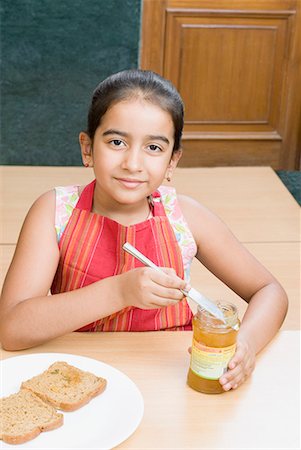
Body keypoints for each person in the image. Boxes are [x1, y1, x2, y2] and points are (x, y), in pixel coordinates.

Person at [0, 69, 288, 391]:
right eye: (117, 142)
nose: (133, 163)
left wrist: (246, 344)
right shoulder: (54, 212)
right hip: (76, 380)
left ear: (172, 161)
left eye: (153, 148)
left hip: (168, 383)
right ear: (87, 147)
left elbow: (270, 291)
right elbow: (12, 329)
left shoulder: (186, 217)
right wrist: (120, 292)